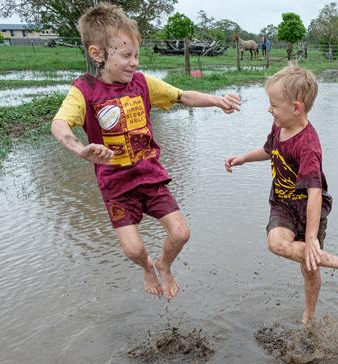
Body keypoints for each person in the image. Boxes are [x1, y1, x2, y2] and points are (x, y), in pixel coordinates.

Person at [50, 3, 241, 301]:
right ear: (97, 54)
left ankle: (164, 264)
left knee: (180, 233)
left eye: (136, 55)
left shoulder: (141, 83)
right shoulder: (84, 90)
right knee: (133, 249)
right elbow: (59, 124)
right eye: (126, 56)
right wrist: (80, 148)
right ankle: (147, 267)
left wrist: (217, 101)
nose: (134, 63)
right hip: (116, 185)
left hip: (150, 176)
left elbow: (181, 96)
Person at [224, 65, 338, 325]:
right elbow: (270, 149)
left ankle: (309, 315)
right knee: (276, 243)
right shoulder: (279, 125)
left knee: (310, 266)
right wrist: (244, 158)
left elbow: (315, 192)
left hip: (309, 210)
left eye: (274, 105)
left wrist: (312, 236)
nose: (270, 109)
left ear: (296, 108)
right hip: (282, 205)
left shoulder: (308, 145)